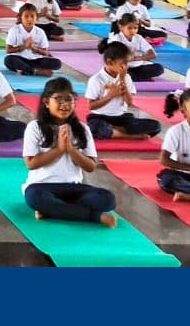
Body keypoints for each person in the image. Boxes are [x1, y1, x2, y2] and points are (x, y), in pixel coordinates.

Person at [22, 77, 118, 227]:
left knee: (107, 199)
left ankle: (52, 210)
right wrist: (59, 150)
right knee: (35, 197)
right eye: (59, 99)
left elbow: (91, 166)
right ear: (46, 102)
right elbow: (31, 163)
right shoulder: (35, 127)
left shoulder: (82, 128)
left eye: (69, 99)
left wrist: (71, 150)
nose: (65, 104)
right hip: (42, 187)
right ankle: (93, 216)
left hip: (73, 188)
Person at [85, 42, 161, 141]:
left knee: (156, 126)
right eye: (123, 63)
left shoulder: (126, 77)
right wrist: (109, 96)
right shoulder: (96, 79)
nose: (126, 66)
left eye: (127, 63)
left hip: (121, 118)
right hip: (100, 117)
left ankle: (114, 130)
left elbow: (129, 102)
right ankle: (129, 136)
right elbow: (91, 106)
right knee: (94, 127)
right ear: (110, 62)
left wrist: (122, 79)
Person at [4, 3, 62, 76]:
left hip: (36, 60)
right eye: (26, 16)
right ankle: (36, 71)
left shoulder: (40, 31)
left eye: (32, 16)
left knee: (57, 63)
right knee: (8, 60)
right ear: (20, 18)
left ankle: (24, 70)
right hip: (19, 59)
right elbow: (8, 50)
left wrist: (34, 48)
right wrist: (24, 46)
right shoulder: (14, 30)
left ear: (36, 18)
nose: (29, 19)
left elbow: (45, 52)